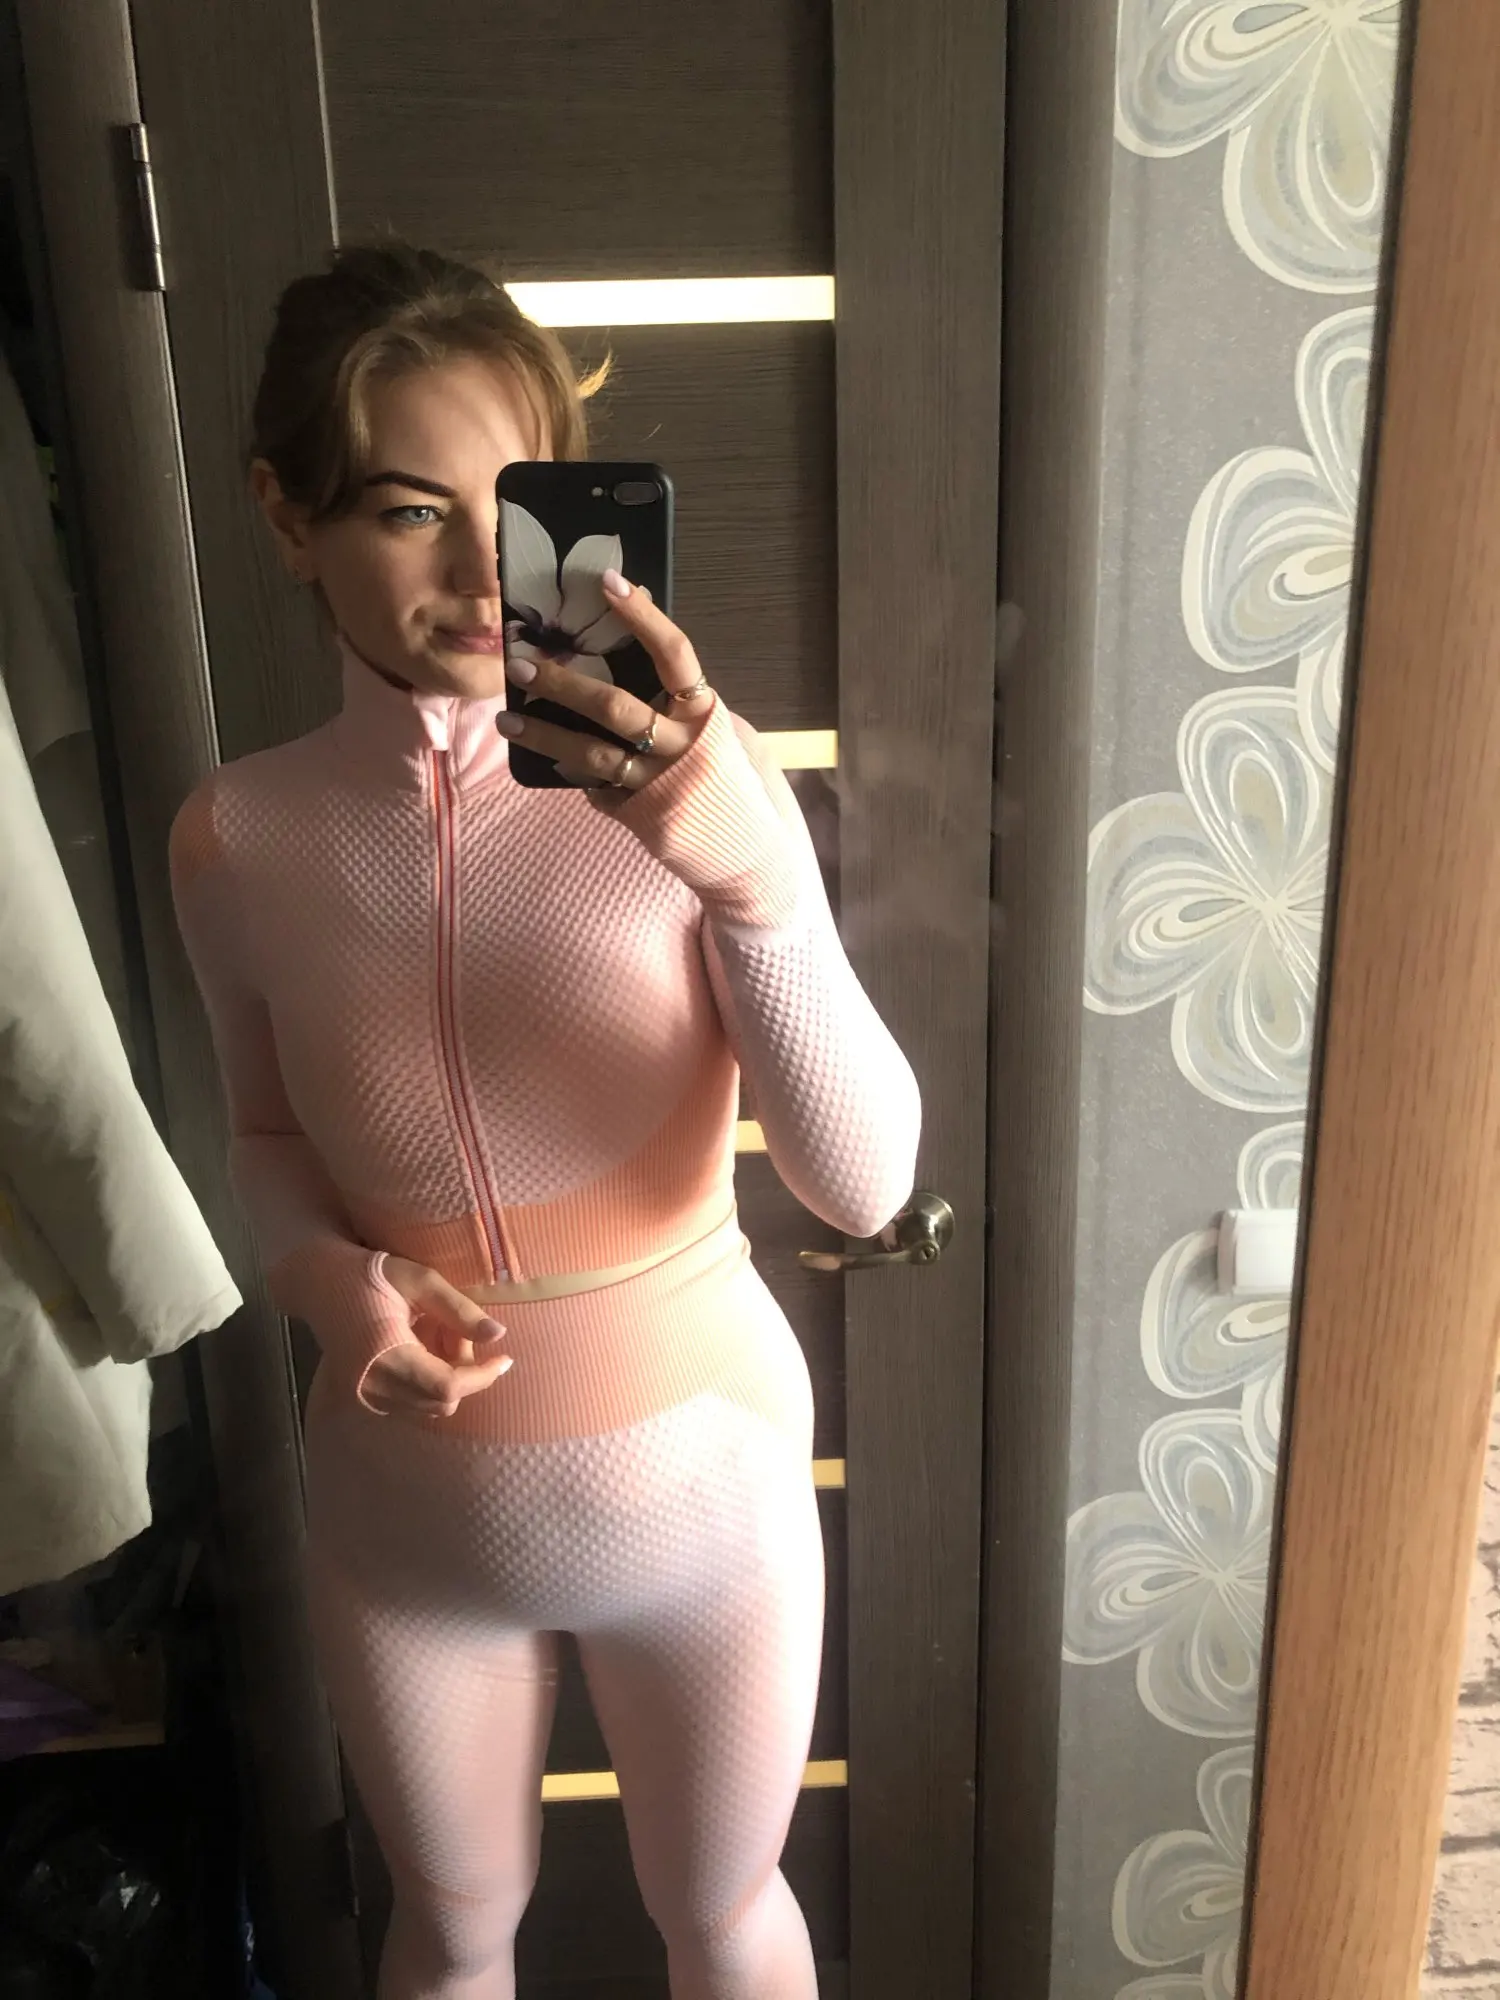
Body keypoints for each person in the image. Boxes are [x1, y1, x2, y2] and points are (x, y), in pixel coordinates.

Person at [170, 241, 920, 2000]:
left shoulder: (698, 782)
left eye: (515, 510)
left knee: (723, 1915)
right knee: (445, 1935)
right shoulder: (240, 836)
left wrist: (753, 880)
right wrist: (334, 1288)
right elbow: (265, 1145)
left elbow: (865, 1182)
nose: (477, 576)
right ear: (288, 517)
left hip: (707, 1493)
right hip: (405, 1530)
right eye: (406, 511)